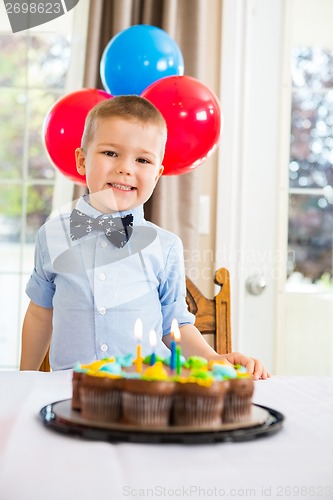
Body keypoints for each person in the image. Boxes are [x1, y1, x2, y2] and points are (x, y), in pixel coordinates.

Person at [20, 95, 269, 379]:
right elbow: (41, 312)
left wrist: (212, 359)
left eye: (142, 159)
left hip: (147, 391)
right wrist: (24, 379)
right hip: (70, 390)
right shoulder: (53, 236)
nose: (126, 168)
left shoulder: (165, 246)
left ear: (158, 174)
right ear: (82, 160)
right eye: (110, 153)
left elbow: (174, 323)